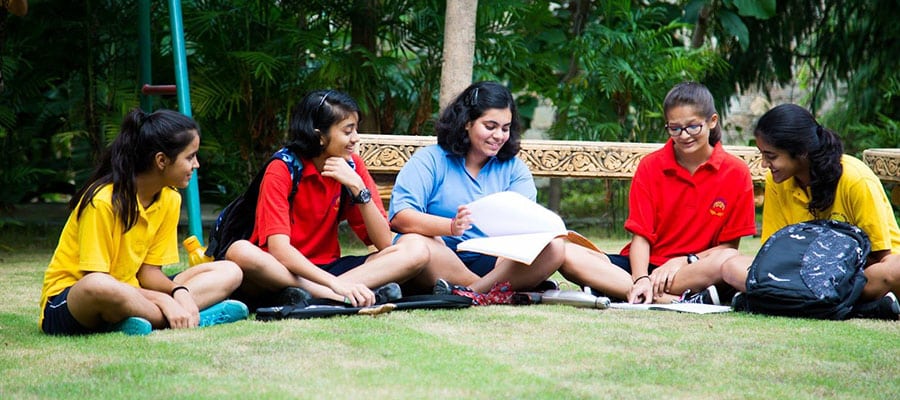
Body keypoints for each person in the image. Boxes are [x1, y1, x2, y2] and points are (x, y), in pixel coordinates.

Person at [39, 109, 248, 336]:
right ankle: (186, 317)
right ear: (161, 160)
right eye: (190, 157)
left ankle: (148, 319)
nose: (196, 164)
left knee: (230, 270)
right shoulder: (102, 201)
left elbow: (149, 273)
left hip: (136, 292)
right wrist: (164, 299)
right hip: (74, 302)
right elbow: (96, 278)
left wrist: (179, 291)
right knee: (99, 285)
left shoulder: (170, 199)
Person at [224, 89, 439, 309]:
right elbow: (280, 251)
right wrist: (335, 285)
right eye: (348, 131)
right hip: (282, 270)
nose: (355, 138)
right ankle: (334, 294)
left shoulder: (351, 166)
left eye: (356, 129)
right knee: (240, 251)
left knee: (415, 249)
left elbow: (383, 242)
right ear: (319, 135)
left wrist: (357, 187)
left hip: (329, 268)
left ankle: (314, 297)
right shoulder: (281, 169)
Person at [561, 82, 757, 304]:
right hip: (641, 266)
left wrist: (683, 261)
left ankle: (616, 290)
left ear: (712, 121)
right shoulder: (650, 166)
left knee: (728, 259)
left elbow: (728, 247)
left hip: (693, 269)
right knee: (566, 253)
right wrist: (642, 277)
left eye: (693, 127)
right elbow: (641, 236)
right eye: (675, 128)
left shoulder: (736, 172)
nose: (684, 135)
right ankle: (664, 298)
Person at [389, 81, 566, 302]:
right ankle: (494, 290)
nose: (499, 136)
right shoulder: (430, 160)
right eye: (490, 126)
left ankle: (470, 292)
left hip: (496, 262)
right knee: (415, 243)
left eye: (505, 128)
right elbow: (400, 218)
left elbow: (525, 229)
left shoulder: (514, 169)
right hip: (440, 256)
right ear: (466, 123)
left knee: (554, 248)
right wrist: (450, 227)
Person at [722, 103, 900, 319]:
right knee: (731, 266)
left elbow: (879, 256)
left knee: (894, 269)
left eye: (771, 156)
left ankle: (775, 301)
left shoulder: (855, 178)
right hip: (798, 275)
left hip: (854, 274)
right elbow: (772, 253)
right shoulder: (776, 181)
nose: (764, 164)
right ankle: (857, 307)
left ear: (801, 152)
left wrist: (827, 274)